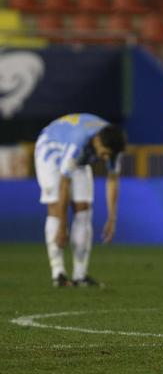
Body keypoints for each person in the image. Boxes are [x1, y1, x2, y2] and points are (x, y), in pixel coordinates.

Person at [34, 114, 126, 287]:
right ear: (97, 141)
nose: (106, 158)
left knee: (84, 208)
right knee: (55, 205)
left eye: (109, 155)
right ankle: (58, 273)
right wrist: (62, 227)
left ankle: (80, 275)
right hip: (52, 149)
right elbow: (64, 183)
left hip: (81, 158)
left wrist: (112, 219)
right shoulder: (77, 144)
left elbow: (113, 180)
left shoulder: (112, 143)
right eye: (104, 154)